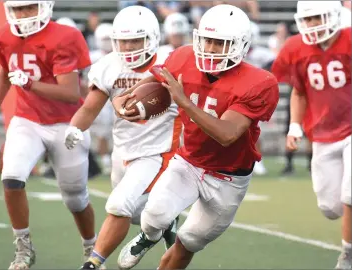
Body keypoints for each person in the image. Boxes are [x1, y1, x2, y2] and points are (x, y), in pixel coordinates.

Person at [116, 4, 279, 270]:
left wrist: (185, 103)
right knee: (153, 217)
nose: (212, 48)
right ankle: (147, 237)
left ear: (242, 45)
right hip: (189, 162)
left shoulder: (260, 82)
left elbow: (227, 135)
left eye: (221, 43)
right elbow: (156, 80)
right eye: (208, 40)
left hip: (229, 177)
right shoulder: (183, 57)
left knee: (190, 240)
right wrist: (126, 99)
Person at [63, 6, 181, 270]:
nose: (128, 46)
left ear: (152, 38)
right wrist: (75, 128)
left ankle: (93, 263)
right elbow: (90, 106)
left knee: (118, 204)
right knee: (138, 214)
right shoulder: (109, 65)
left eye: (135, 40)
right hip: (123, 151)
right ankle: (165, 220)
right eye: (123, 40)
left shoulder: (171, 62)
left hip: (158, 151)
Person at [0, 1, 97, 269]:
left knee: (75, 197)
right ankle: (23, 247)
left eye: (29, 7)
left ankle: (92, 248)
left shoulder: (65, 37)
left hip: (67, 124)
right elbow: (5, 72)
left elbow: (71, 92)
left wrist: (29, 83)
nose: (23, 15)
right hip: (28, 120)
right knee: (12, 177)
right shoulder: (3, 37)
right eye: (18, 9)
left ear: (45, 6)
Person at [272, 1, 351, 269]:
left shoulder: (349, 39)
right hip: (323, 134)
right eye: (307, 19)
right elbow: (299, 91)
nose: (313, 25)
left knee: (350, 193)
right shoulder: (296, 48)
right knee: (331, 207)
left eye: (318, 18)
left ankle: (347, 255)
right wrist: (295, 126)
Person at [244, 21, 276, 176]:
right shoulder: (233, 53)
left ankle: (258, 162)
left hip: (256, 99)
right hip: (236, 96)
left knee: (257, 132)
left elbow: (273, 69)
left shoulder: (261, 54)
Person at [90, 23, 115, 175]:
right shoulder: (92, 56)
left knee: (112, 130)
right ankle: (104, 160)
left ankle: (109, 160)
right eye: (103, 39)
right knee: (100, 131)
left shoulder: (119, 56)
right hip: (99, 95)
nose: (106, 43)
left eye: (108, 39)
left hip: (115, 96)